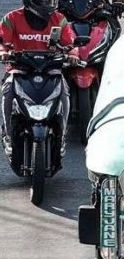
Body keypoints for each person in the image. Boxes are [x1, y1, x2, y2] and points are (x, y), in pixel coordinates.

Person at [0, 0, 79, 165]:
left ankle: (62, 136)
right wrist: (4, 53)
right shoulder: (12, 18)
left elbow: (71, 42)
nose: (48, 4)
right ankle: (8, 136)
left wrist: (73, 54)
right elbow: (1, 41)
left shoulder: (59, 19)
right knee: (7, 91)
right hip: (20, 69)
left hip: (50, 68)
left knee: (64, 91)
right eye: (44, 0)